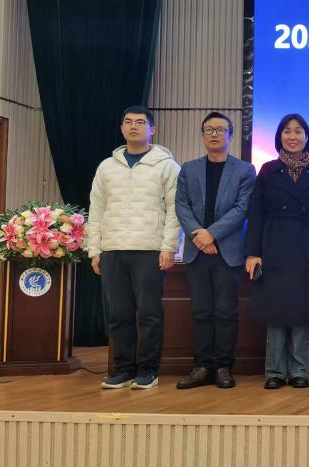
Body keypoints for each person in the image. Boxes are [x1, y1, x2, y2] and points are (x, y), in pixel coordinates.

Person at [88, 105, 180, 390]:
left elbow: (174, 210)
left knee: (149, 314)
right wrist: (95, 249)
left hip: (149, 249)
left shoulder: (166, 166)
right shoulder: (107, 166)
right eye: (128, 122)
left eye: (140, 122)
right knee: (118, 314)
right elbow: (96, 209)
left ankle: (148, 370)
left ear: (152, 129)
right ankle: (123, 369)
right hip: (113, 249)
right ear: (121, 128)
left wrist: (169, 247)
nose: (134, 127)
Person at [245, 114, 309, 390]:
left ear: (307, 137)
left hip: (308, 248)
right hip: (274, 246)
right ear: (279, 136)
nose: (292, 136)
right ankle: (274, 372)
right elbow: (256, 213)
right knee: (276, 311)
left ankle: (299, 371)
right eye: (287, 131)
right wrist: (253, 252)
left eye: (298, 131)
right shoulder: (268, 170)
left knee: (301, 312)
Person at [174, 112, 256, 389]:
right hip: (197, 250)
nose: (214, 134)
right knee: (201, 311)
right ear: (202, 135)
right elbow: (181, 205)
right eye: (209, 129)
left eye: (220, 129)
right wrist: (199, 235)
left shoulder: (244, 170)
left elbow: (242, 209)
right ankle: (201, 366)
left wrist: (212, 234)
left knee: (226, 312)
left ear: (230, 136)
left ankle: (222, 366)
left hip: (228, 252)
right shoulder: (189, 169)